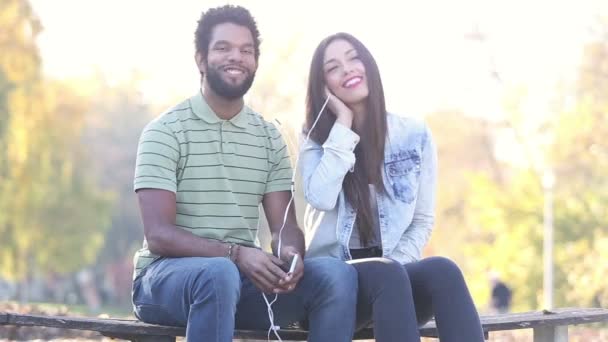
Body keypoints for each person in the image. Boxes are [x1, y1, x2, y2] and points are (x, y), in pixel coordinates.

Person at [131, 7, 358, 342]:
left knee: (336, 276)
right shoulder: (165, 132)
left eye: (246, 50)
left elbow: (286, 228)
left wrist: (290, 258)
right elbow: (159, 236)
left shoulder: (268, 138)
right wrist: (235, 254)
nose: (236, 57)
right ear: (200, 59)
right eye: (223, 48)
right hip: (163, 280)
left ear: (255, 61)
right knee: (218, 274)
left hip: (237, 282)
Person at [299, 32, 485, 342]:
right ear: (323, 87)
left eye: (353, 57)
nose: (347, 69)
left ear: (369, 65)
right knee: (386, 274)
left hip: (393, 281)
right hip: (337, 286)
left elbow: (422, 221)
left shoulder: (413, 134)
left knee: (443, 270)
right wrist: (342, 125)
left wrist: (394, 266)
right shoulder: (316, 139)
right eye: (333, 68)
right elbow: (320, 197)